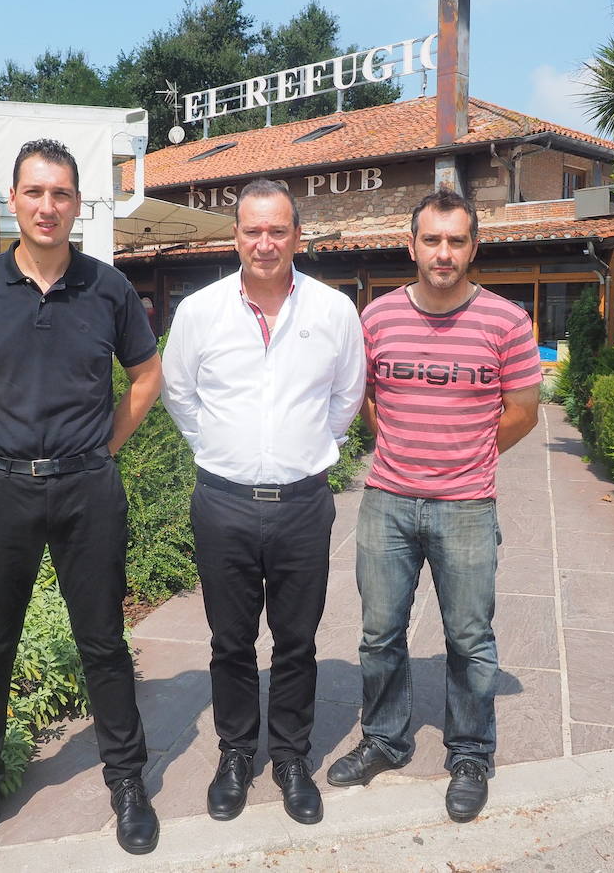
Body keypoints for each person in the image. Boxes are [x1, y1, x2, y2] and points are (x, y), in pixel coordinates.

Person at [0, 139, 164, 860]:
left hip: (87, 490)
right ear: (14, 199)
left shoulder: (108, 288)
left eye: (61, 194)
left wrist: (102, 450)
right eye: (35, 192)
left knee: (103, 643)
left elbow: (146, 377)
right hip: (1, 491)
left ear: (75, 204)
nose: (48, 206)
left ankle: (127, 782)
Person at [327, 188, 541, 824]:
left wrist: (468, 454)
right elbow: (360, 397)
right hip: (387, 502)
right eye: (431, 240)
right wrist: (395, 443)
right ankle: (385, 739)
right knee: (378, 633)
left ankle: (471, 753)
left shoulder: (508, 321)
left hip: (467, 506)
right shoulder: (377, 318)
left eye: (455, 240)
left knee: (470, 638)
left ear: (474, 246)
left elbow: (524, 412)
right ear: (411, 245)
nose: (443, 252)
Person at [162, 179, 365, 827]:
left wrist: (311, 451)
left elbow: (347, 399)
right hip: (222, 502)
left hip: (304, 505)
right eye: (253, 230)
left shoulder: (334, 312)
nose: (265, 242)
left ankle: (290, 759)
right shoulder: (199, 312)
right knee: (229, 641)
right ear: (236, 238)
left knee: (297, 642)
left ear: (297, 237)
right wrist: (221, 450)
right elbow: (179, 395)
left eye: (278, 230)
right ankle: (233, 756)